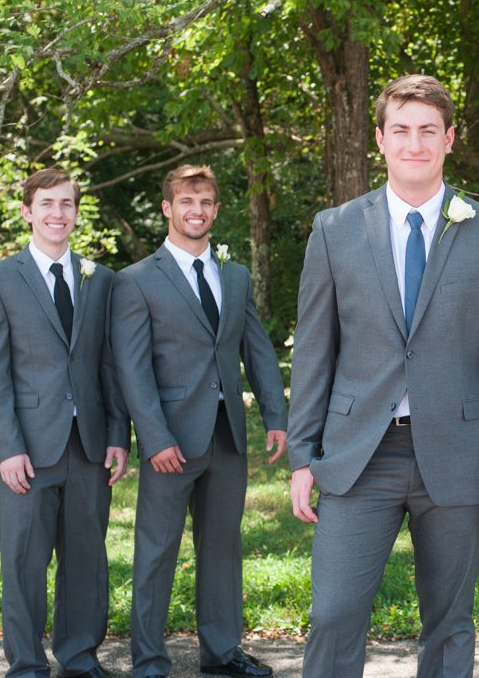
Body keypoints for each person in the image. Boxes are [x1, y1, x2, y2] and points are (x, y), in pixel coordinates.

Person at [287, 74, 479, 678]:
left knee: (450, 623)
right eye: (401, 130)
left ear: (449, 139)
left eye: (428, 130)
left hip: (456, 454)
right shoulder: (335, 228)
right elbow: (314, 351)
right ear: (380, 139)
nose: (414, 143)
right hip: (359, 456)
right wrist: (302, 455)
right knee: (333, 613)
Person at [110, 165, 288, 678]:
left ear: (215, 209)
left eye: (206, 202)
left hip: (227, 436)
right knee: (156, 552)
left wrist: (275, 415)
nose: (197, 210)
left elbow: (256, 349)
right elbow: (133, 369)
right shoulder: (137, 280)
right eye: (187, 201)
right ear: (168, 208)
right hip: (171, 440)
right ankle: (148, 659)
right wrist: (154, 436)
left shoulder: (234, 276)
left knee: (223, 550)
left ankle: (222, 652)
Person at [0, 168, 130, 678]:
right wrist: (6, 448)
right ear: (27, 212)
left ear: (77, 213)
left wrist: (116, 435)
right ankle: (26, 665)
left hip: (88, 447)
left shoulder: (100, 279)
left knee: (86, 561)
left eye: (66, 204)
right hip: (29, 450)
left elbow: (111, 363)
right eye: (46, 204)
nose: (57, 214)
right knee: (24, 564)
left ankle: (80, 657)